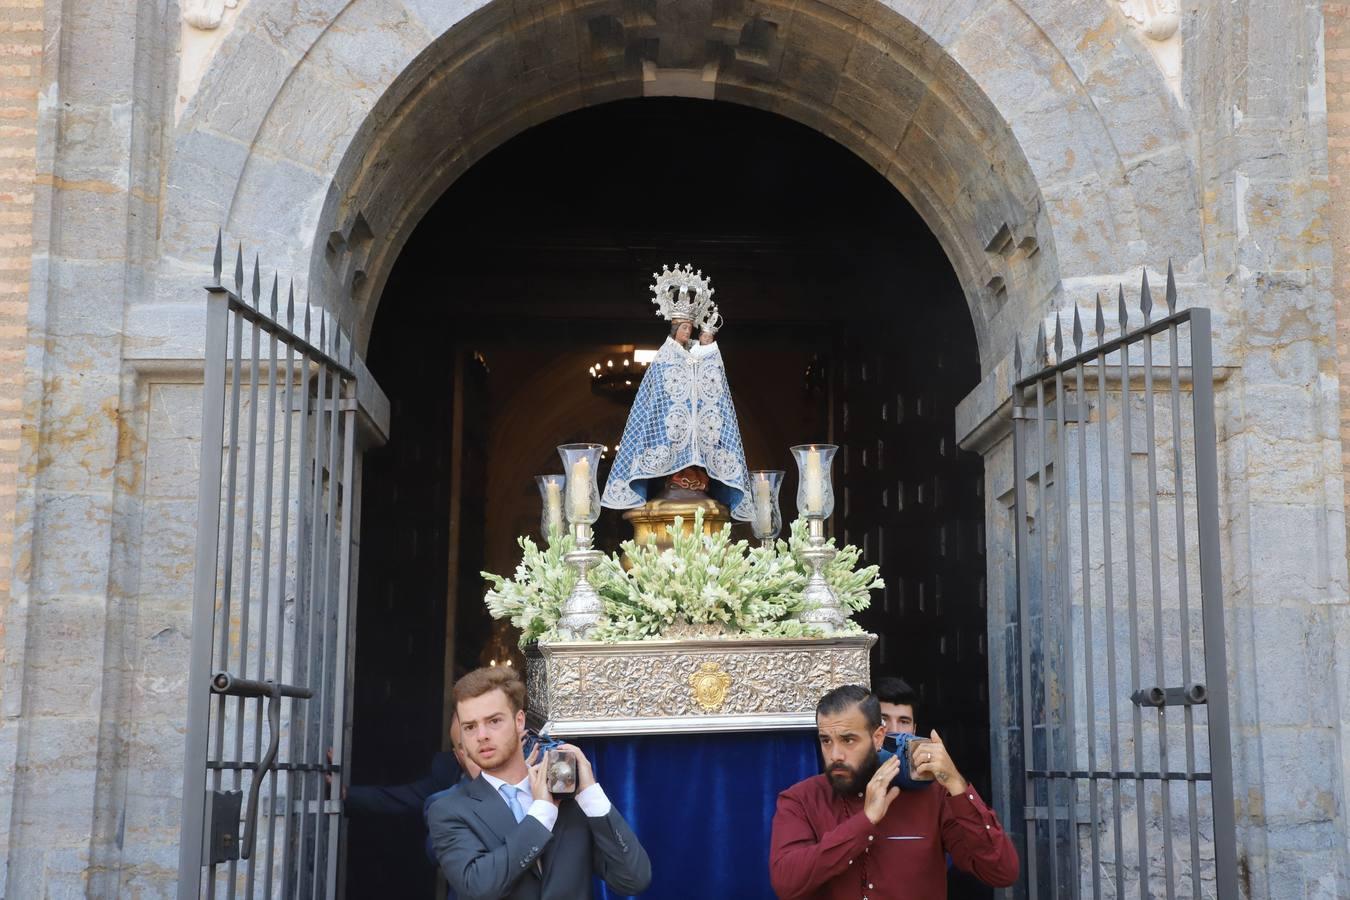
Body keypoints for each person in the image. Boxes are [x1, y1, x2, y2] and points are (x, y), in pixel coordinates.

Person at [769, 685, 1018, 899]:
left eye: (848, 740)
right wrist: (864, 822)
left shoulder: (933, 796)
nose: (835, 755)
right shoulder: (800, 800)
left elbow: (1001, 871)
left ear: (878, 737)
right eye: (826, 740)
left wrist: (955, 784)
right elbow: (787, 884)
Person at [427, 666, 651, 899]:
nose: (481, 735)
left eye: (494, 721)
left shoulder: (568, 795)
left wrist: (590, 792)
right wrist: (543, 812)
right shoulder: (448, 811)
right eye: (470, 727)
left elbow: (634, 879)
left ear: (519, 721)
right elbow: (479, 887)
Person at [602, 264, 752, 519]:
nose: (688, 332)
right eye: (684, 328)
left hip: (702, 433)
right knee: (673, 458)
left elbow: (715, 393)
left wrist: (705, 355)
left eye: (690, 329)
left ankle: (697, 474)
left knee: (699, 464)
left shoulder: (703, 356)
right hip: (672, 427)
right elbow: (655, 399)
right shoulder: (665, 357)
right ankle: (675, 474)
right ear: (675, 329)